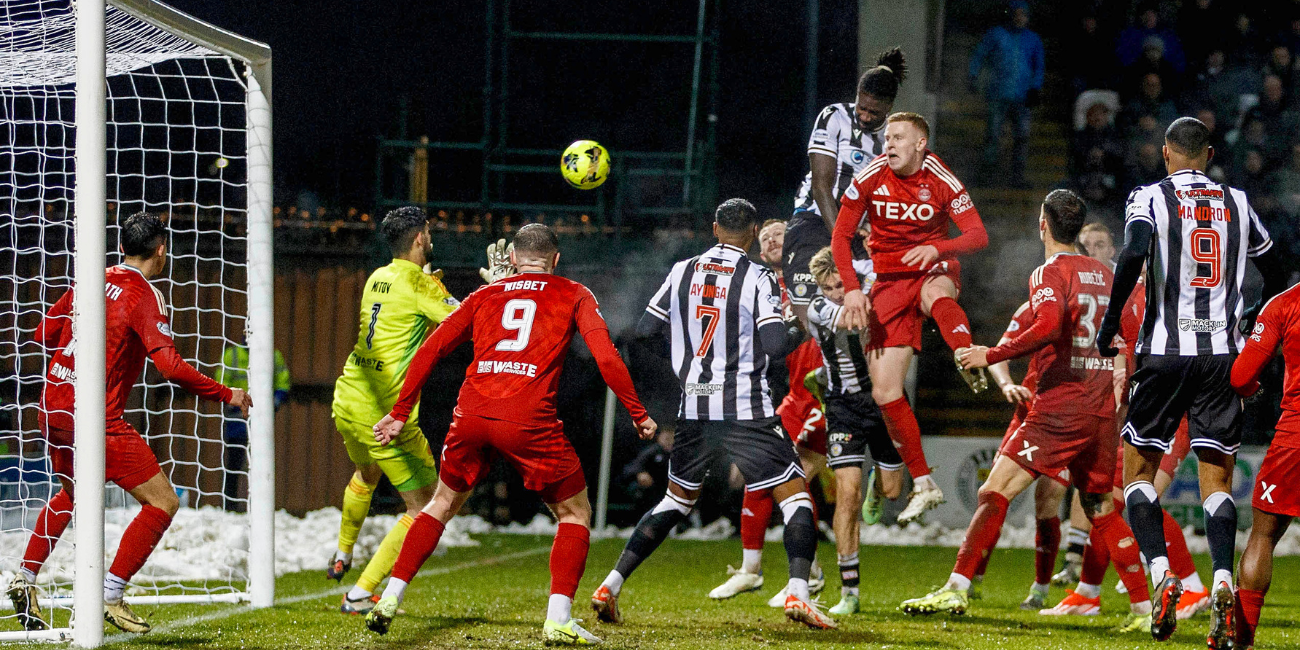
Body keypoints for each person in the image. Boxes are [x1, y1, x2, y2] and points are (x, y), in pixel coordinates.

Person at [364, 223, 655, 645]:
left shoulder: (484, 295)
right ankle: (558, 619)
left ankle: (389, 597)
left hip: (473, 414)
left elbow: (432, 349)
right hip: (527, 420)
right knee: (575, 514)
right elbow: (605, 357)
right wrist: (638, 412)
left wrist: (399, 411)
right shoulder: (573, 292)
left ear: (513, 259)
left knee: (440, 505)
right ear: (556, 260)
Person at [592, 199, 835, 630]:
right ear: (753, 231)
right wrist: (802, 326)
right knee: (796, 498)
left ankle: (610, 584)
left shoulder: (681, 270)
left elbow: (645, 331)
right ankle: (799, 594)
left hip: (695, 407)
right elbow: (776, 345)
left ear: (715, 229)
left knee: (675, 500)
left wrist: (680, 379)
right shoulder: (757, 276)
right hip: (746, 408)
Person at [5, 212, 252, 633]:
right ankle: (111, 594)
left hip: (53, 402)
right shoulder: (144, 294)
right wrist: (227, 393)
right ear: (160, 251)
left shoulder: (90, 278)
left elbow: (44, 333)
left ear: (122, 247)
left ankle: (25, 579)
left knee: (71, 493)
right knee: (163, 502)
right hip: (95, 416)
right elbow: (170, 367)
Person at [1095, 117, 1288, 646]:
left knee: (1136, 476)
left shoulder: (1149, 197)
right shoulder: (1239, 202)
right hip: (1221, 358)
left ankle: (1161, 573)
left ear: (1166, 155)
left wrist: (1111, 325)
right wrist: (1251, 312)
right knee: (1217, 481)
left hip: (1162, 353)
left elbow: (1133, 251)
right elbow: (1279, 264)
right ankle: (1222, 580)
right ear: (1206, 155)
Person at [897, 190, 1133, 620]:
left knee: (994, 490)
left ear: (1043, 223)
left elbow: (1047, 325)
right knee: (1100, 506)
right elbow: (1125, 333)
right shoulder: (1105, 273)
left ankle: (957, 586)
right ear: (1079, 229)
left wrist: (990, 355)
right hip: (1100, 408)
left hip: (1060, 405)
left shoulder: (1048, 272)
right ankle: (1146, 600)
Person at [832, 111, 990, 525]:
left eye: (898, 137)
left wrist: (938, 248)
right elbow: (841, 236)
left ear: (921, 143)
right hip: (888, 282)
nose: (889, 144)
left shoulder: (940, 176)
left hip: (932, 268)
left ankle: (964, 354)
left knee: (937, 292)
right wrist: (851, 287)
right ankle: (924, 484)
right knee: (885, 393)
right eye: (886, 137)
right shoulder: (870, 175)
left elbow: (977, 234)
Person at [326, 207, 466, 614]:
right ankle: (360, 593)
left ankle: (343, 552)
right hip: (386, 416)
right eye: (429, 232)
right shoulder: (420, 284)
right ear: (421, 238)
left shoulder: (378, 276)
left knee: (366, 474)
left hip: (349, 399)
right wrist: (497, 288)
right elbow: (467, 322)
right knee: (424, 507)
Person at [708, 217, 829, 605]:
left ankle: (811, 576)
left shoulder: (818, 268)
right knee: (758, 476)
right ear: (760, 250)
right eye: (767, 237)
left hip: (829, 391)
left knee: (793, 482)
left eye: (781, 233)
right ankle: (752, 570)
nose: (775, 239)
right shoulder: (762, 286)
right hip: (795, 396)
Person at [803, 246, 903, 615]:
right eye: (826, 287)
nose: (833, 292)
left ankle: (881, 481)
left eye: (838, 284)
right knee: (847, 493)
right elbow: (852, 320)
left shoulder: (866, 286)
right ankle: (850, 592)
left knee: (892, 492)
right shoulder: (818, 307)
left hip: (883, 398)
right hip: (843, 406)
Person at [786, 48, 907, 328]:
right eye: (861, 107)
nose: (864, 116)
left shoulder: (896, 137)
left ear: (889, 107)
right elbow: (821, 187)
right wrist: (845, 239)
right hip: (816, 220)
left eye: (873, 112)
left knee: (867, 320)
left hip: (860, 235)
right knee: (809, 325)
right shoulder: (834, 116)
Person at [1229, 281, 1300, 649]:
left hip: (1295, 436)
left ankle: (1241, 641)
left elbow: (1241, 376)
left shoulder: (1284, 303)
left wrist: (1252, 391)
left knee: (1263, 536)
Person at [966, 0, 1044, 187]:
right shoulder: (996, 34)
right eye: (1017, 14)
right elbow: (980, 55)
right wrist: (973, 75)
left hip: (1023, 96)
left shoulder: (1033, 39)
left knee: (1022, 137)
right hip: (998, 93)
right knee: (993, 135)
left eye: (1023, 14)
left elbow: (1039, 66)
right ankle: (986, 175)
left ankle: (1017, 176)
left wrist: (1035, 87)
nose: (1020, 18)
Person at [215, 339, 289, 512]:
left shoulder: (273, 354)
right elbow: (221, 380)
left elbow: (283, 380)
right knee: (235, 459)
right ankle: (230, 504)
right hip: (237, 416)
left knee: (261, 461)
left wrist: (276, 400)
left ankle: (260, 506)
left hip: (262, 416)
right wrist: (230, 399)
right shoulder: (232, 355)